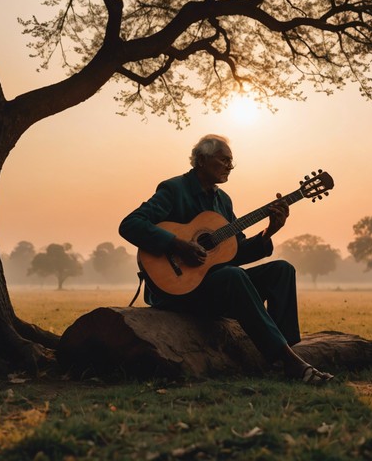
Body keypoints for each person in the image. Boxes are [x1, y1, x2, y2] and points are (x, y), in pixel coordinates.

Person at [119, 133, 333, 385]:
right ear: (201, 160)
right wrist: (178, 244)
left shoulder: (222, 200)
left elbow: (236, 251)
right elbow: (130, 224)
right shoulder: (174, 189)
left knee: (282, 270)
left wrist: (268, 232)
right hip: (177, 290)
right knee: (232, 275)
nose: (230, 166)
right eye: (223, 160)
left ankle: (284, 354)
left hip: (215, 289)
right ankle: (290, 361)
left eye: (232, 161)